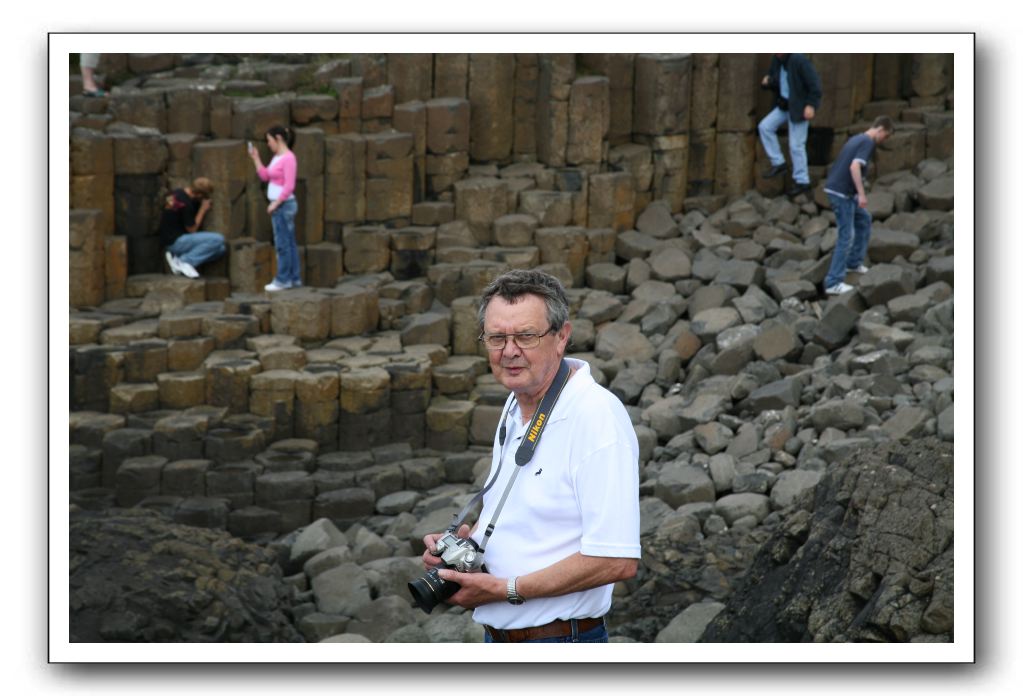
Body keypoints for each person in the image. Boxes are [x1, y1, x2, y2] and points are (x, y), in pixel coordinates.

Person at [420, 269, 641, 643]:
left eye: (526, 336)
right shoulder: (517, 402)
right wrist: (465, 547)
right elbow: (534, 518)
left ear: (562, 337)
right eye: (497, 337)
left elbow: (616, 559)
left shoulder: (595, 416)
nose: (509, 351)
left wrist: (505, 588)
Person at [822, 116, 895, 295]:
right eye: (886, 136)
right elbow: (854, 167)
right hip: (841, 193)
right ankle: (833, 282)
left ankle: (853, 263)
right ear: (881, 130)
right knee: (846, 235)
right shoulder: (868, 142)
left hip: (842, 191)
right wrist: (861, 194)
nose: (884, 140)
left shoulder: (856, 138)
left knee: (864, 220)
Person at [758, 53, 822, 197]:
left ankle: (802, 182)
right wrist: (768, 81)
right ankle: (778, 162)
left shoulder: (799, 60)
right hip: (785, 106)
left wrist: (811, 105)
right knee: (765, 127)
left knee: (796, 145)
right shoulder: (777, 59)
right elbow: (779, 80)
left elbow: (815, 85)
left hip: (799, 107)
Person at [247, 125, 300, 292]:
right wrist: (255, 158)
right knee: (289, 243)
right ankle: (293, 278)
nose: (268, 144)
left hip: (284, 206)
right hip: (279, 206)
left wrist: (276, 203)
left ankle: (283, 280)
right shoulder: (277, 157)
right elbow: (265, 176)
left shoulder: (289, 158)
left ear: (278, 138)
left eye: (269, 140)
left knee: (283, 245)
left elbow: (289, 185)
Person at [160, 177, 225, 279]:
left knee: (221, 250)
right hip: (176, 242)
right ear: (199, 195)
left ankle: (180, 259)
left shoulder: (175, 193)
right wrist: (203, 209)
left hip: (168, 239)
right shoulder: (186, 204)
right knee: (218, 239)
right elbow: (192, 229)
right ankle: (184, 261)